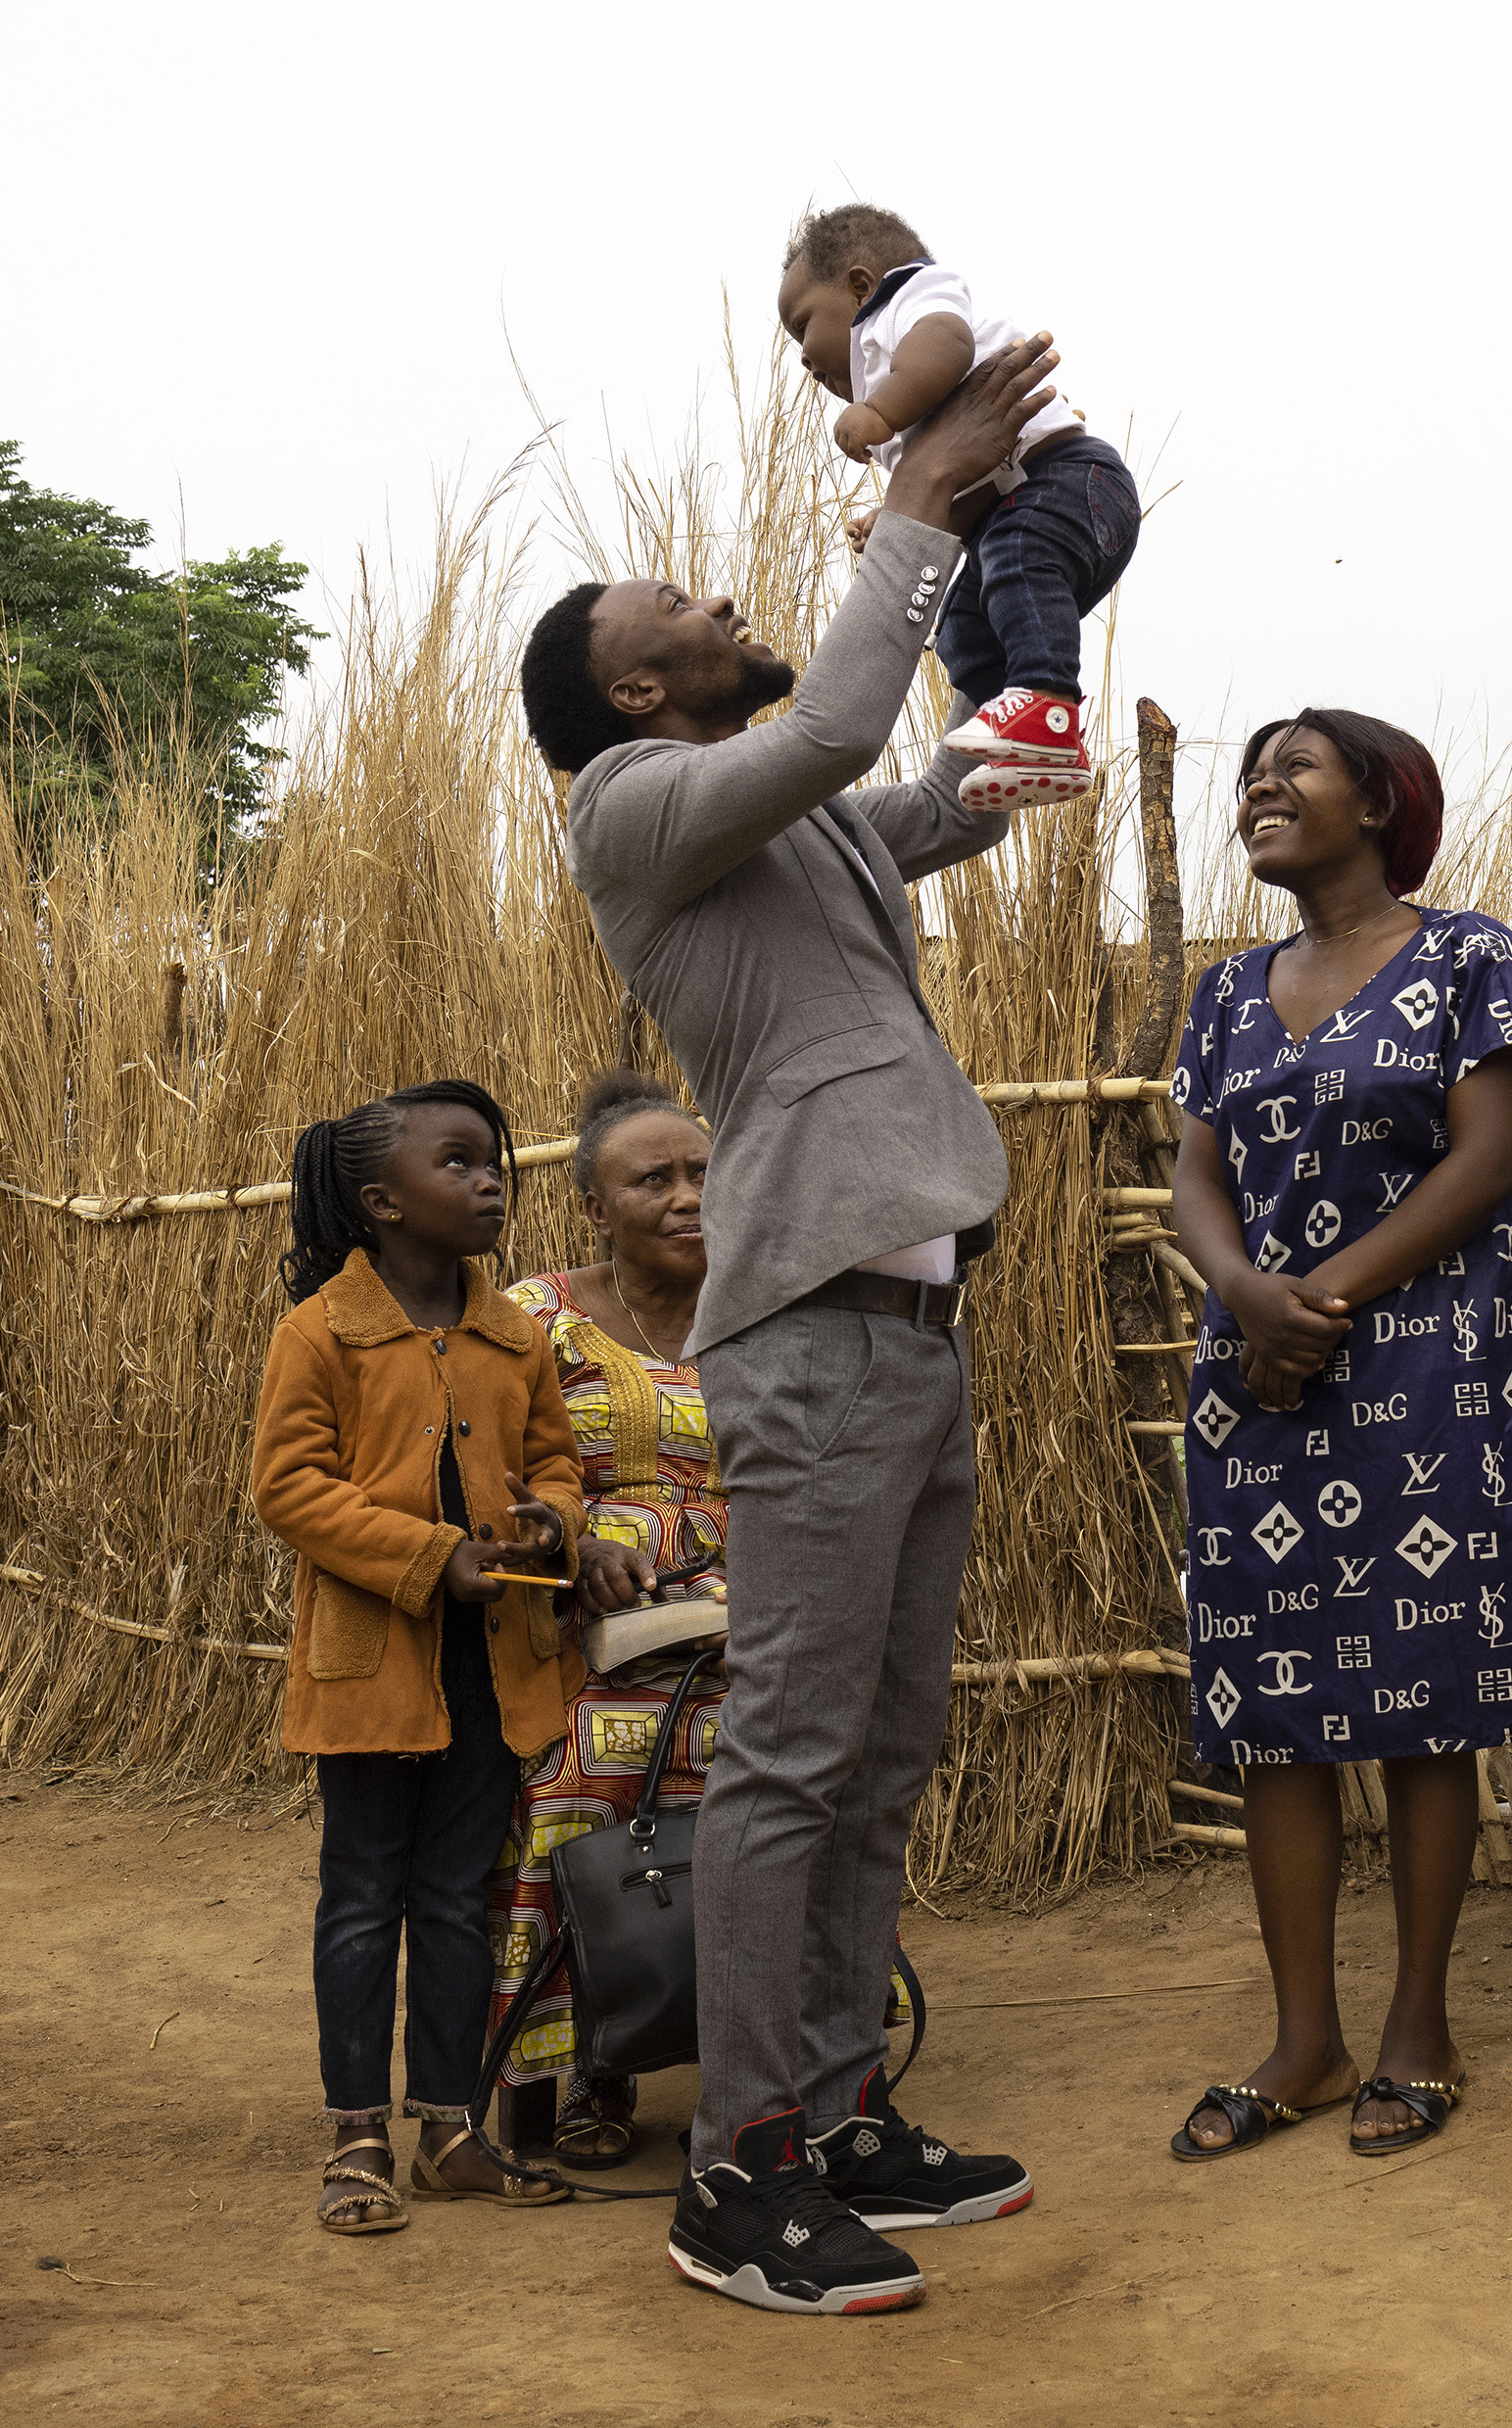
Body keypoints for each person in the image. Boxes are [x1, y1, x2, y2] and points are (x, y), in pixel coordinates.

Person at [513, 330, 1063, 2315]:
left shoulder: (785, 820)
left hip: (905, 1323)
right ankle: (733, 2173)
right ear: (632, 690)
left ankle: (834, 2116)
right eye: (677, 604)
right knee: (793, 1749)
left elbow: (915, 797)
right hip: (814, 1328)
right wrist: (908, 510)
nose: (721, 595)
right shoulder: (638, 805)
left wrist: (1020, 608)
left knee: (881, 1748)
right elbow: (830, 734)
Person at [1158, 710, 1512, 2163]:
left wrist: (1328, 1301)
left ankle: (1417, 2026)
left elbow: (1490, 1156)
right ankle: (1303, 2041)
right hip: (1265, 1385)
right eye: (1250, 775)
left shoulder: (1468, 957)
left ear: (1379, 800)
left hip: (1430, 1375)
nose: (1260, 789)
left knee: (1429, 1691)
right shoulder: (1228, 993)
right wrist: (1247, 1299)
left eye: (1292, 767)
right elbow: (1194, 1174)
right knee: (1274, 1711)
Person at [250, 1078, 589, 2234]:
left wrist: (551, 1522)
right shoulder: (319, 1332)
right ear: (383, 1202)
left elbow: (556, 1464)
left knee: (454, 1899)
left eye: (493, 1159)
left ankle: (447, 2129)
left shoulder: (513, 1335)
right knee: (361, 1898)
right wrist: (432, 1556)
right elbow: (287, 1488)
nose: (490, 1177)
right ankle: (357, 2136)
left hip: (494, 1664)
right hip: (371, 1666)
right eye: (460, 1162)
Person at [486, 1070, 732, 2171]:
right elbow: (496, 1472)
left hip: (754, 1618)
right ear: (594, 1203)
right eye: (655, 1179)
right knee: (573, 1788)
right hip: (597, 1630)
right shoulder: (533, 1318)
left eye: (703, 1174)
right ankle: (581, 2066)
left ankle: (765, 2064)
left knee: (783, 1788)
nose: (687, 1196)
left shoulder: (771, 1305)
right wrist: (575, 1541)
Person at [774, 202, 1137, 814]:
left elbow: (947, 343)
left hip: (1067, 478)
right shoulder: (903, 413)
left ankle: (1048, 701)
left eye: (803, 325)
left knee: (1017, 559)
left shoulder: (906, 302)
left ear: (861, 287)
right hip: (1013, 509)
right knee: (963, 632)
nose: (804, 359)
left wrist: (880, 413)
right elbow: (952, 491)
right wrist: (893, 519)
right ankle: (1033, 746)